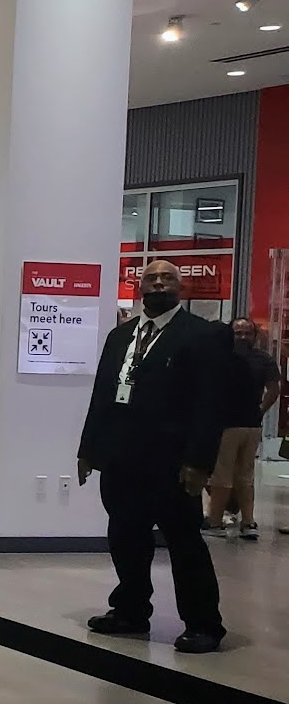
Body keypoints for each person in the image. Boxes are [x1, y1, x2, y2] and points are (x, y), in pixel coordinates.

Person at [77, 259, 232, 654]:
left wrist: (200, 462)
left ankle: (203, 624)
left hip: (172, 464)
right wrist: (88, 450)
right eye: (151, 278)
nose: (159, 283)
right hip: (121, 459)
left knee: (184, 543)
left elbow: (210, 405)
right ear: (139, 287)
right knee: (125, 538)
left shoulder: (202, 336)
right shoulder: (120, 336)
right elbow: (102, 394)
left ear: (181, 288)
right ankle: (130, 611)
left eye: (167, 278)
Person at [207, 318, 279, 539]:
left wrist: (260, 410)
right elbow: (273, 389)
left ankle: (215, 522)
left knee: (221, 475)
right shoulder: (263, 359)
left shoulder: (222, 359)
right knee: (245, 477)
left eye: (247, 333)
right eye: (238, 333)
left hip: (229, 425)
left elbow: (273, 389)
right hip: (250, 424)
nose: (243, 337)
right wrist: (259, 412)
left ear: (255, 336)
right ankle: (248, 522)